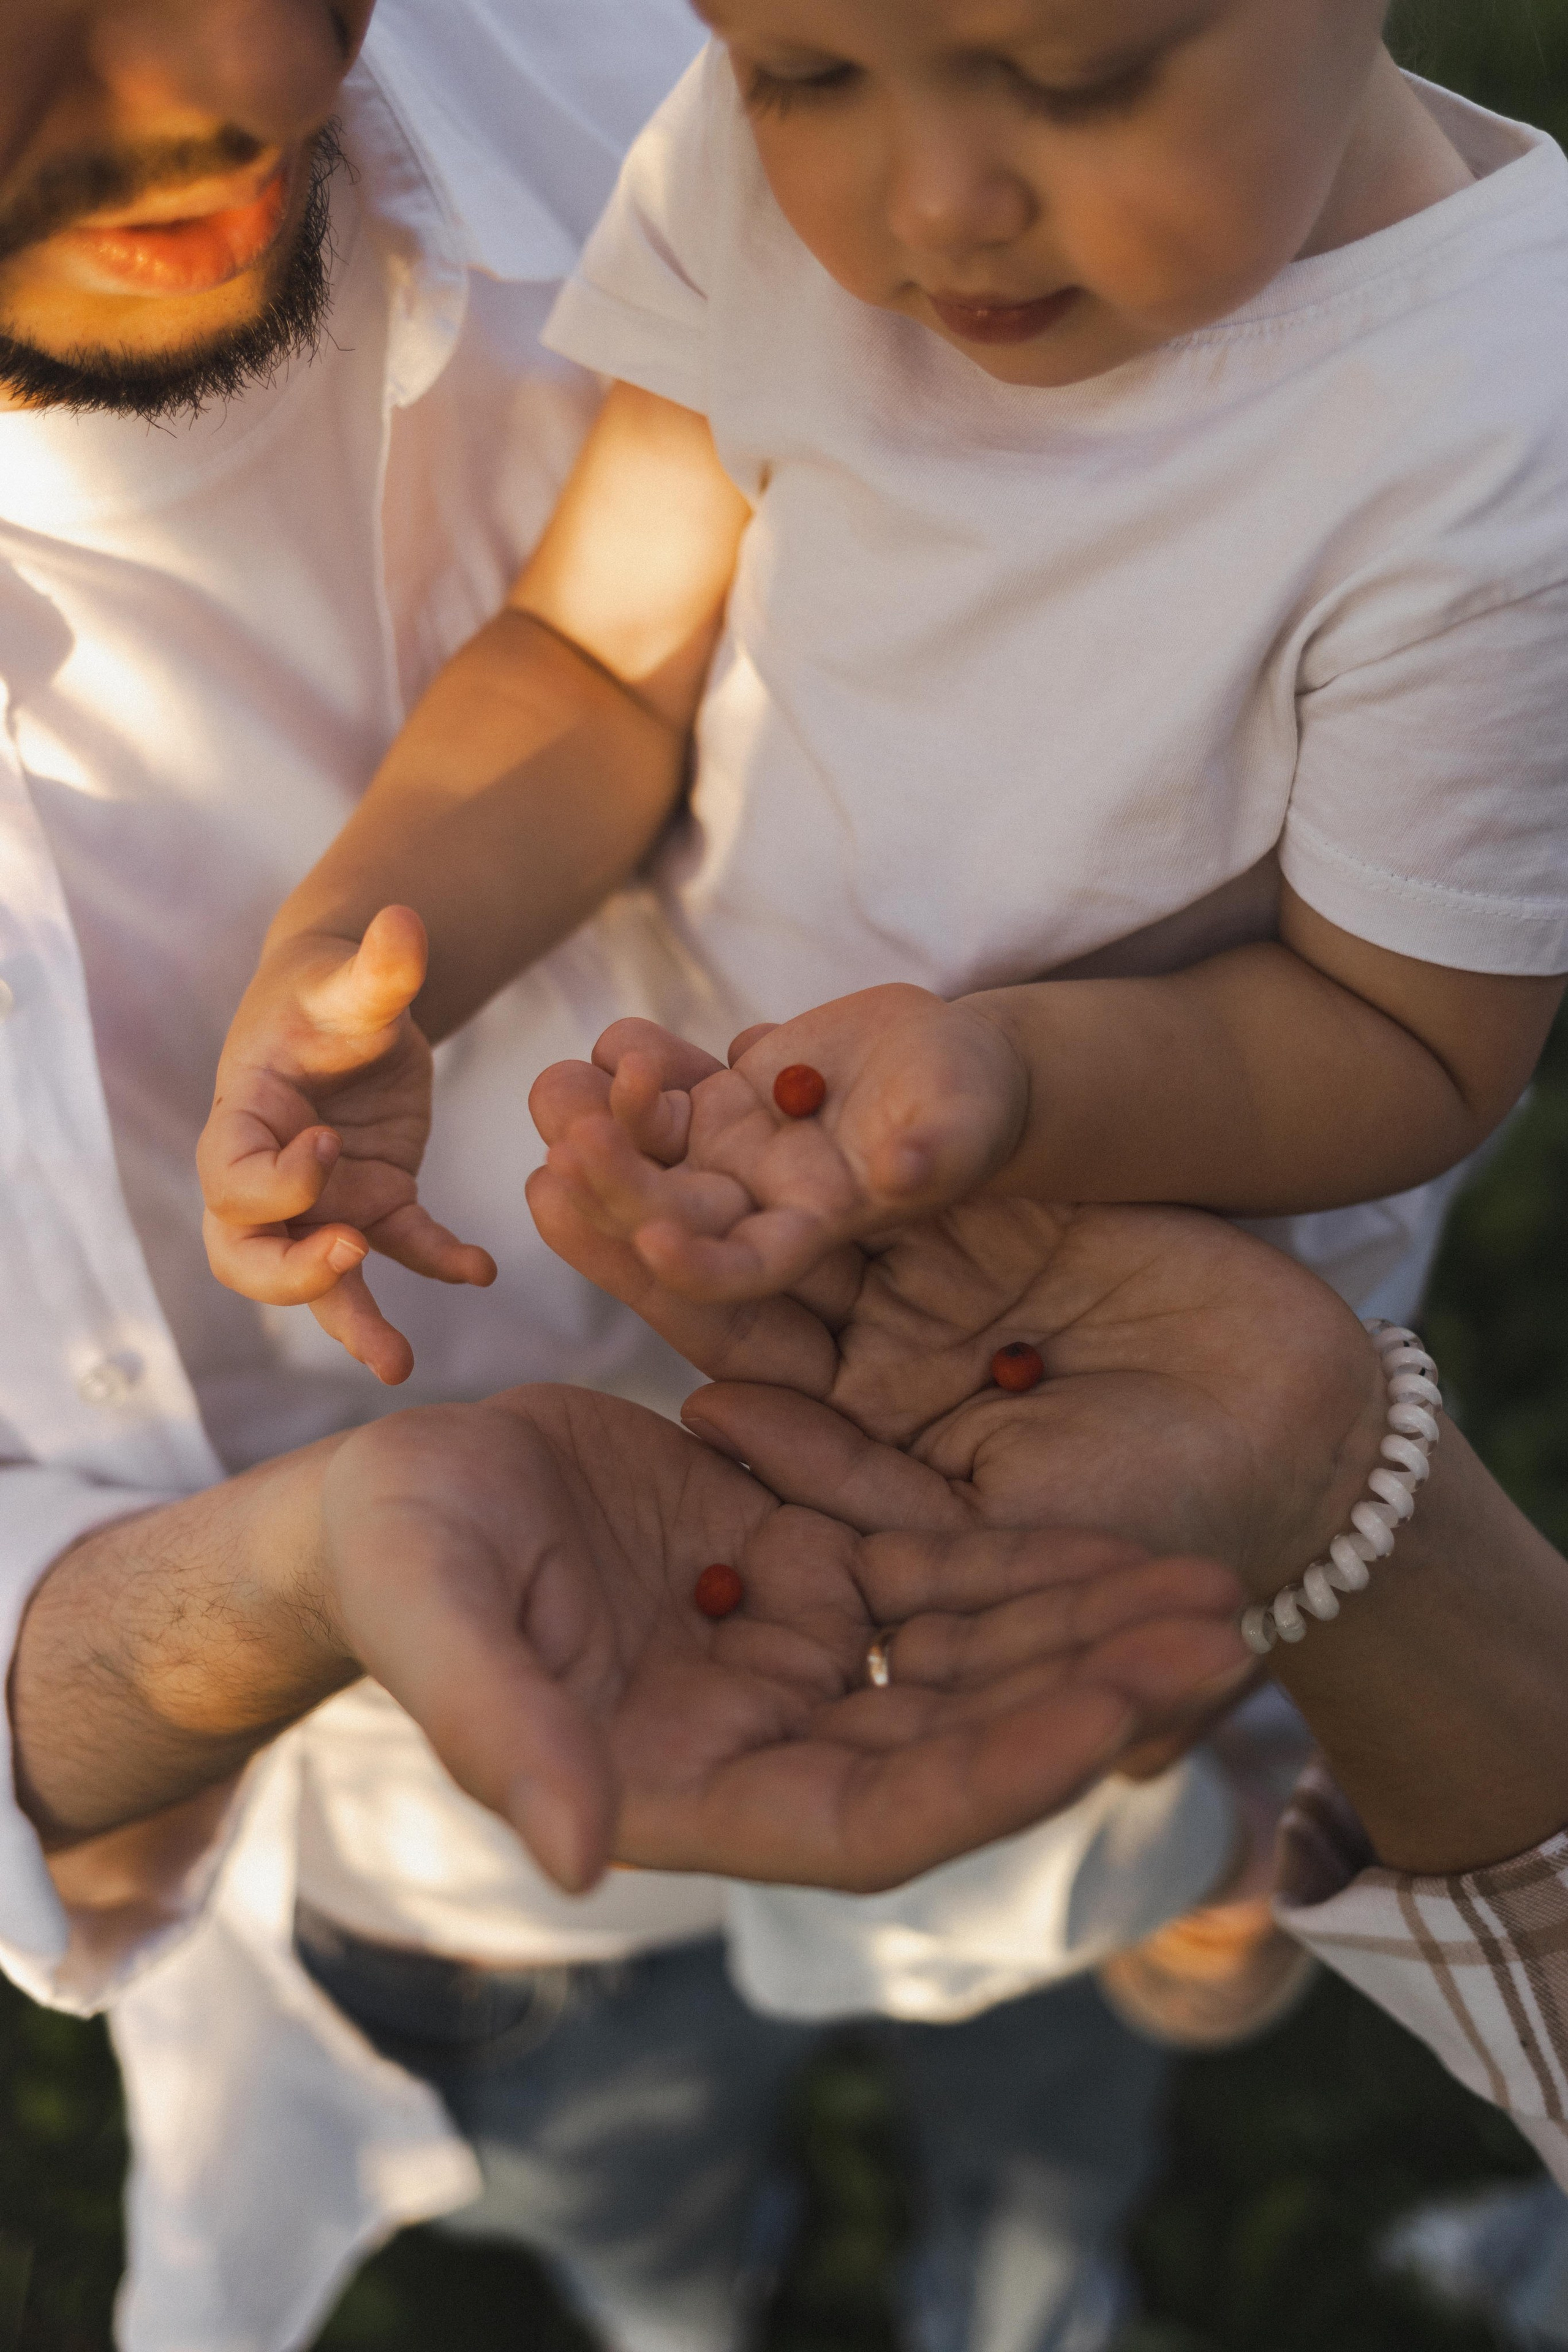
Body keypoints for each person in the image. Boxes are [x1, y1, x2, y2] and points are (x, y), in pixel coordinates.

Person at [0, 6, 1251, 2349]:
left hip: (1067, 1578)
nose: (246, 69)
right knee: (644, 2216)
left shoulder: (802, 106)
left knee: (1056, 2086)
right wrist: (275, 1590)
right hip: (475, 1874)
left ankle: (1038, 2285)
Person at [528, 1170, 1568, 2190]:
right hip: (734, 1894)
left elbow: (1233, 1970)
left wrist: (1219, 1891)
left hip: (1033, 1851)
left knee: (1043, 2140)